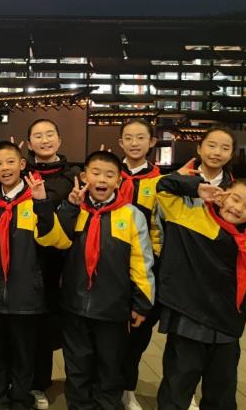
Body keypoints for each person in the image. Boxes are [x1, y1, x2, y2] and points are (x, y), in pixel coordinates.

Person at [154, 174, 246, 409]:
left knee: (222, 391)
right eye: (235, 199)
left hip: (227, 323)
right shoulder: (189, 215)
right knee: (177, 386)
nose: (238, 208)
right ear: (223, 196)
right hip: (188, 317)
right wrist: (196, 188)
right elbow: (163, 187)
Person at [0, 141, 72, 410]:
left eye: (10, 162)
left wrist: (42, 203)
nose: (5, 168)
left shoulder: (36, 198)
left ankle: (20, 399)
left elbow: (55, 240)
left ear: (22, 164)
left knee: (24, 354)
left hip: (27, 296)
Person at [57, 150, 155, 410]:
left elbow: (142, 262)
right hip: (74, 305)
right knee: (77, 367)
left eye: (110, 175)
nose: (102, 179)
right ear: (84, 177)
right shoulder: (74, 209)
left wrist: (142, 302)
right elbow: (53, 240)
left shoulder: (131, 215)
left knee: (109, 367)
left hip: (113, 308)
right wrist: (69, 207)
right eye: (96, 173)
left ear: (119, 181)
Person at [24, 118, 80, 410]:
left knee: (47, 327)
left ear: (59, 140)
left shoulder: (74, 176)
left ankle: (39, 384)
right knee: (21, 327)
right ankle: (18, 379)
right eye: (38, 136)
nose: (44, 140)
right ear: (29, 143)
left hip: (59, 262)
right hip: (23, 258)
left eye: (49, 135)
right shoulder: (20, 173)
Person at [116, 118, 163, 410]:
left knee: (139, 331)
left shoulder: (162, 182)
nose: (134, 143)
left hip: (146, 265)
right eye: (129, 138)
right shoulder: (109, 174)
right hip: (111, 263)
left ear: (152, 142)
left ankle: (128, 388)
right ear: (121, 142)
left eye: (141, 138)